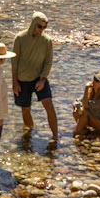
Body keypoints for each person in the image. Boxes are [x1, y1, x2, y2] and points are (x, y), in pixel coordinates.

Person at [11, 11, 57, 144]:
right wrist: (15, 82)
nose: (42, 30)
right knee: (25, 109)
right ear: (33, 24)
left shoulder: (47, 41)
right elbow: (14, 62)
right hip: (22, 80)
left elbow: (48, 62)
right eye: (39, 26)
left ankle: (55, 137)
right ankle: (29, 135)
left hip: (39, 78)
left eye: (44, 27)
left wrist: (42, 79)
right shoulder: (20, 38)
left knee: (49, 105)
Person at [73, 71, 100, 141]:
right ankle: (83, 130)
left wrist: (86, 88)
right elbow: (77, 101)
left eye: (97, 81)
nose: (93, 81)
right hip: (97, 119)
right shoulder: (92, 92)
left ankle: (76, 133)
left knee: (84, 112)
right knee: (76, 111)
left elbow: (85, 106)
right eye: (94, 78)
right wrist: (76, 106)